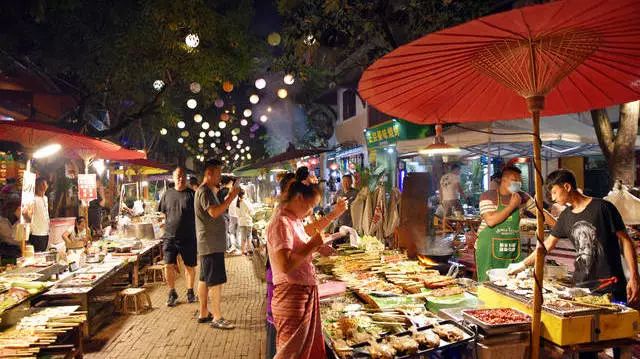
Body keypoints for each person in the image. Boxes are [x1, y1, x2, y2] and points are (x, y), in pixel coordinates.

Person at [509, 169, 639, 306]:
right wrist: (522, 264)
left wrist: (634, 276)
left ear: (567, 187)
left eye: (554, 192)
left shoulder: (603, 207)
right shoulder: (565, 216)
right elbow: (546, 246)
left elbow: (626, 241)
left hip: (611, 285)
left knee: (614, 325)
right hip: (581, 287)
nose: (553, 198)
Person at [475, 166, 556, 282]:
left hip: (510, 247)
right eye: (514, 180)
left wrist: (559, 226)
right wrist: (512, 206)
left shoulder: (523, 197)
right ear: (503, 180)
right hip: (488, 248)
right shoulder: (488, 196)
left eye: (519, 181)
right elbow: (491, 221)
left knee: (512, 282)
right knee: (487, 283)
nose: (518, 183)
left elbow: (541, 213)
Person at [195, 159, 240, 329]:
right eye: (218, 173)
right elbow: (214, 212)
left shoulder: (207, 190)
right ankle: (217, 317)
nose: (220, 177)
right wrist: (231, 197)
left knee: (205, 279)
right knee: (215, 282)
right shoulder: (205, 191)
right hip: (210, 243)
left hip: (209, 243)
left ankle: (203, 313)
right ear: (209, 173)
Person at [158, 167, 198, 307]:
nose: (180, 178)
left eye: (183, 176)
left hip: (188, 236)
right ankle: (172, 292)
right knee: (168, 265)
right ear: (173, 178)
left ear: (186, 178)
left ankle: (190, 291)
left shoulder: (192, 195)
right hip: (169, 236)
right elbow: (162, 214)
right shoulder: (167, 194)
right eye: (178, 176)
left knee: (189, 266)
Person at [27, 177, 50, 252]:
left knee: (43, 253)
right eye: (43, 184)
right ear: (38, 185)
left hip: (45, 231)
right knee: (37, 253)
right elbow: (28, 213)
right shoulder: (33, 199)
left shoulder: (45, 198)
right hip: (36, 232)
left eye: (46, 184)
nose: (45, 186)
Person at [236, 190, 255, 255]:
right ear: (244, 194)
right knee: (249, 236)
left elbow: (237, 214)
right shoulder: (247, 202)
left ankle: (243, 251)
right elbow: (252, 212)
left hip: (241, 222)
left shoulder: (237, 203)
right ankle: (249, 249)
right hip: (248, 222)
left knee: (243, 236)